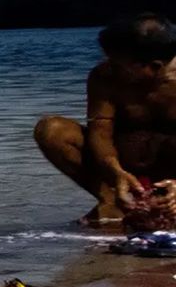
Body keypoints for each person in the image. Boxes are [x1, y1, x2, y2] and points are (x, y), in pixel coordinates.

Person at [34, 13, 176, 226]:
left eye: (119, 65)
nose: (110, 67)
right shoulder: (105, 76)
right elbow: (100, 131)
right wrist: (115, 172)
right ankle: (112, 201)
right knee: (51, 130)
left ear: (154, 67)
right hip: (126, 168)